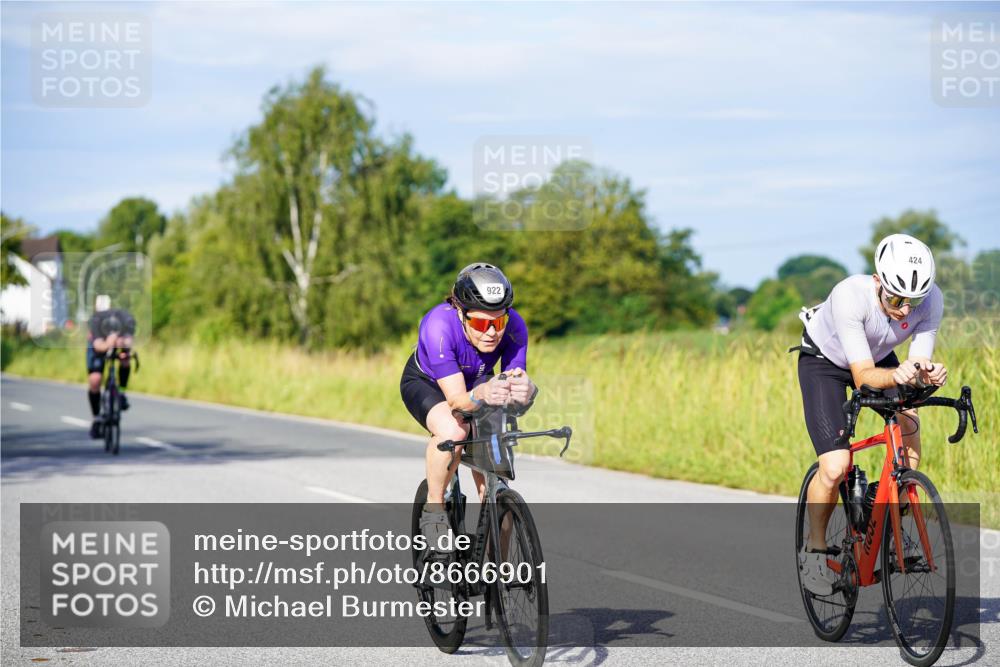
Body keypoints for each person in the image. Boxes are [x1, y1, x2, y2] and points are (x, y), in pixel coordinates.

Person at [794, 234, 946, 595]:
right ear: (878, 282)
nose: (906, 310)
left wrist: (930, 373)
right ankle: (814, 551)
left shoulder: (932, 299)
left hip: (876, 357)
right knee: (835, 466)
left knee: (909, 426)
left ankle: (883, 511)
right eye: (896, 298)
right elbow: (863, 377)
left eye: (914, 300)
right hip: (826, 361)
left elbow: (918, 361)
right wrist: (898, 374)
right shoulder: (850, 295)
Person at [400, 263, 537, 551]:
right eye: (479, 323)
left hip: (479, 383)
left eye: (498, 323)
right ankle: (434, 510)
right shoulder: (438, 325)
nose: (491, 333)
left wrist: (528, 392)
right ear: (460, 312)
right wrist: (486, 392)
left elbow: (515, 386)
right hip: (430, 385)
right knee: (455, 430)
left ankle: (493, 574)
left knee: (496, 469)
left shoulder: (515, 327)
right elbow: (457, 401)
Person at [86, 295, 137, 438]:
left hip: (115, 344)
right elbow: (98, 346)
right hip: (98, 347)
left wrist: (121, 344)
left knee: (126, 360)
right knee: (95, 379)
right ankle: (96, 419)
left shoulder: (125, 318)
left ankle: (121, 392)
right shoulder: (95, 321)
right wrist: (109, 343)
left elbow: (129, 341)